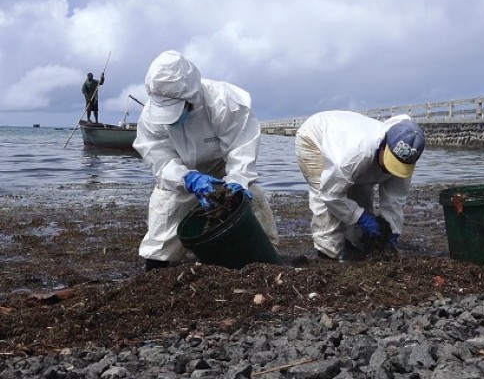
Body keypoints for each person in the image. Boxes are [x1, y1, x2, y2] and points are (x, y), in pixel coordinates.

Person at [133, 50, 278, 271]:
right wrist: (187, 178)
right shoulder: (150, 118)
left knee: (252, 204)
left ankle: (264, 263)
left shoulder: (225, 102)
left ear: (191, 97)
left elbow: (241, 147)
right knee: (165, 214)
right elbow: (159, 157)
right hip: (181, 170)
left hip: (222, 164)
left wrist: (237, 181)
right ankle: (156, 269)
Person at [295, 110, 426, 262]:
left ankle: (354, 247)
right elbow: (330, 194)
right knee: (327, 206)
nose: (392, 171)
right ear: (384, 146)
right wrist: (362, 217)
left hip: (356, 151)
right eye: (392, 162)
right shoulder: (354, 155)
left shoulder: (406, 156)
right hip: (314, 138)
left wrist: (392, 233)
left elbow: (395, 200)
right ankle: (327, 255)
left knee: (362, 198)